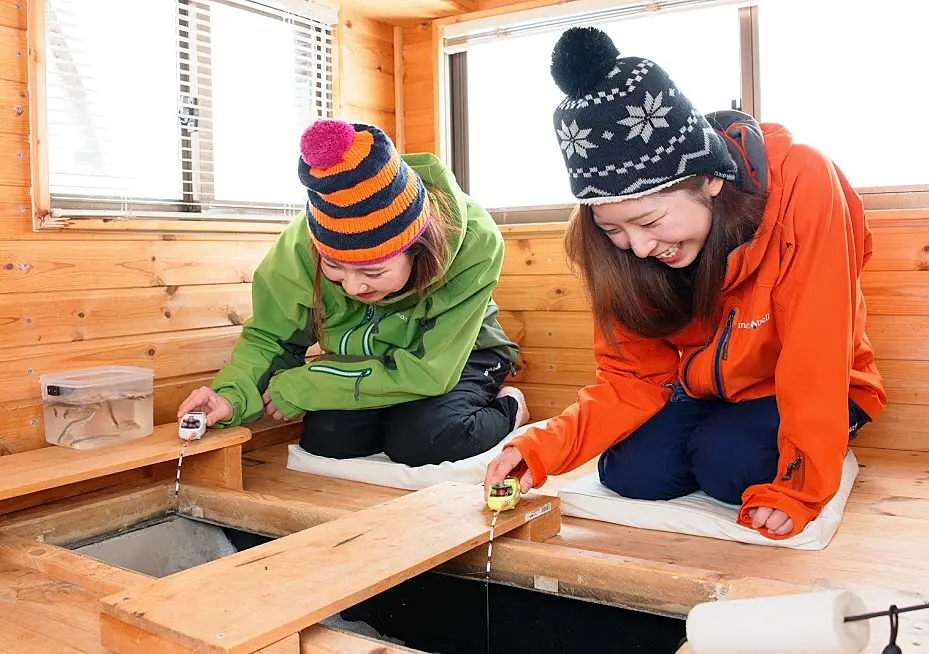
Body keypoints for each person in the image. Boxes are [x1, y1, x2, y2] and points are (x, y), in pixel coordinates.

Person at [484, 27, 886, 539]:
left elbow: (816, 350)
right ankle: (720, 434)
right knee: (632, 472)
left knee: (730, 467)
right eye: (614, 230)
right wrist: (539, 446)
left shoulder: (804, 180)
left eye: (651, 222)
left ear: (710, 179)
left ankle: (823, 440)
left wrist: (799, 484)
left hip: (817, 383)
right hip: (706, 390)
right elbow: (631, 376)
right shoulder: (620, 250)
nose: (639, 247)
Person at [178, 119, 529, 466]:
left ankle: (510, 407)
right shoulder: (306, 240)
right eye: (333, 267)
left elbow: (430, 371)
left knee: (425, 440)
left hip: (458, 353)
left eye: (373, 271)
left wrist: (308, 385)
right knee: (329, 438)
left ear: (418, 248)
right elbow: (272, 336)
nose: (353, 287)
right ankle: (398, 414)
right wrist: (230, 396)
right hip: (368, 359)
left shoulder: (475, 240)